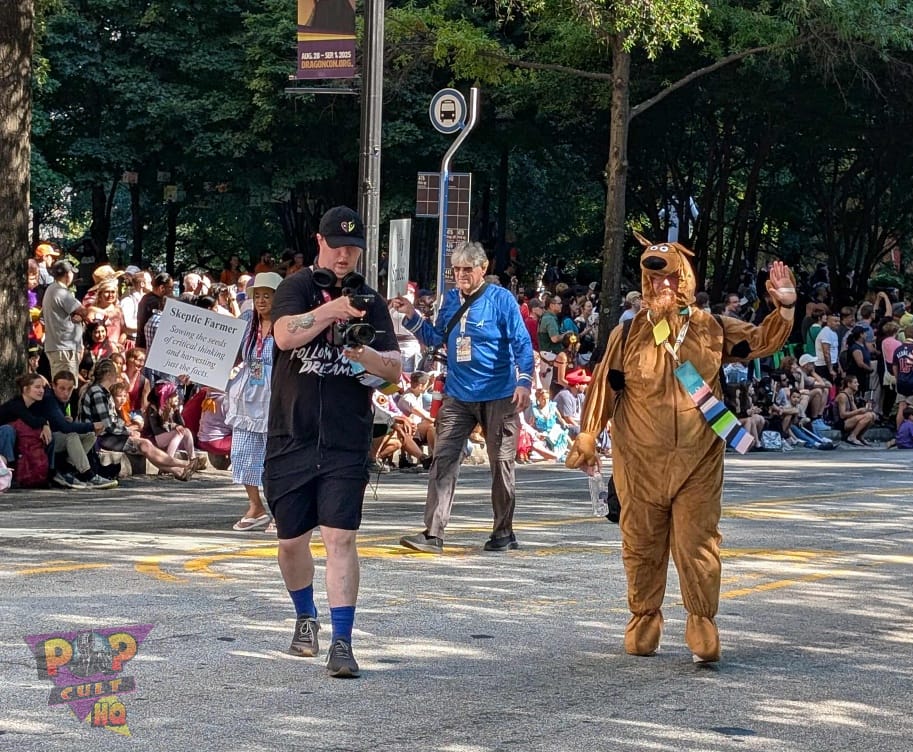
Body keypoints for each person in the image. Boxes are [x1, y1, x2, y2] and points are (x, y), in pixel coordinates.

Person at [565, 234, 795, 663]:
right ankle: (644, 616)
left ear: (684, 279)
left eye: (670, 279)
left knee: (698, 543)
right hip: (638, 462)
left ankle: (702, 620)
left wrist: (783, 307)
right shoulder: (629, 330)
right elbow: (604, 385)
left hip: (698, 462)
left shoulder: (713, 328)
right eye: (654, 282)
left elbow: (762, 341)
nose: (661, 288)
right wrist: (587, 434)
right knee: (641, 543)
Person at [265, 206, 400, 679]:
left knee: (340, 537)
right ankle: (306, 615)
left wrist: (361, 350)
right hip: (291, 434)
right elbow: (283, 336)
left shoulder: (370, 300)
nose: (345, 255)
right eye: (337, 246)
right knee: (290, 542)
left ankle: (342, 642)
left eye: (354, 248)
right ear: (319, 243)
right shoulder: (296, 287)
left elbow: (394, 371)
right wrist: (330, 312)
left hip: (346, 438)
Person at [390, 241, 533, 554]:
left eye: (467, 269)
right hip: (458, 393)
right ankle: (433, 533)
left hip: (499, 394)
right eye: (456, 269)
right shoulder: (451, 301)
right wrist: (412, 316)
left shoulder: (501, 300)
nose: (461, 275)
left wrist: (524, 381)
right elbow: (436, 338)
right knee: (444, 458)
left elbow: (521, 342)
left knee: (501, 464)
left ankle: (503, 532)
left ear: (483, 269)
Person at [80, 359, 197, 481]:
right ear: (108, 374)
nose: (117, 375)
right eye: (115, 373)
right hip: (100, 437)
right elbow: (108, 425)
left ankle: (178, 471)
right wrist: (128, 431)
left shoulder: (103, 392)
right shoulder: (97, 393)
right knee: (144, 444)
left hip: (107, 434)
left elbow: (113, 420)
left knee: (145, 445)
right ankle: (185, 464)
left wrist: (127, 429)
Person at [228, 272, 281, 532]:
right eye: (257, 295)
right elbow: (230, 355)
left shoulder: (284, 324)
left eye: (267, 295)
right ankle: (255, 505)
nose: (261, 301)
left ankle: (282, 511)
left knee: (276, 458)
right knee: (242, 453)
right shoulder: (248, 323)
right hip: (247, 395)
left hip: (274, 397)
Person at [31, 370, 117, 489]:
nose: (66, 393)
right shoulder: (49, 399)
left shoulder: (63, 401)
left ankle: (67, 470)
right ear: (53, 386)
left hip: (54, 436)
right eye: (62, 388)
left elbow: (59, 423)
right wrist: (92, 425)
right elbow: (65, 428)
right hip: (41, 441)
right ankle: (89, 475)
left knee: (90, 435)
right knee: (72, 436)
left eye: (70, 389)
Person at [41, 259, 89, 382]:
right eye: (72, 273)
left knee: (63, 385)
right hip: (64, 348)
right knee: (64, 386)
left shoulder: (51, 289)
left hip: (59, 346)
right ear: (68, 274)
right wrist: (79, 316)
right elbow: (84, 312)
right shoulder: (60, 292)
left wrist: (74, 316)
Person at [834, 374, 876, 446]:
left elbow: (855, 411)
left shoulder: (851, 395)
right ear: (849, 384)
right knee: (868, 416)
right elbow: (842, 415)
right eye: (855, 382)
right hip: (841, 423)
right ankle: (852, 436)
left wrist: (866, 409)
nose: (858, 384)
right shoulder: (842, 396)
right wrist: (859, 411)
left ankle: (860, 436)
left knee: (873, 415)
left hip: (849, 420)